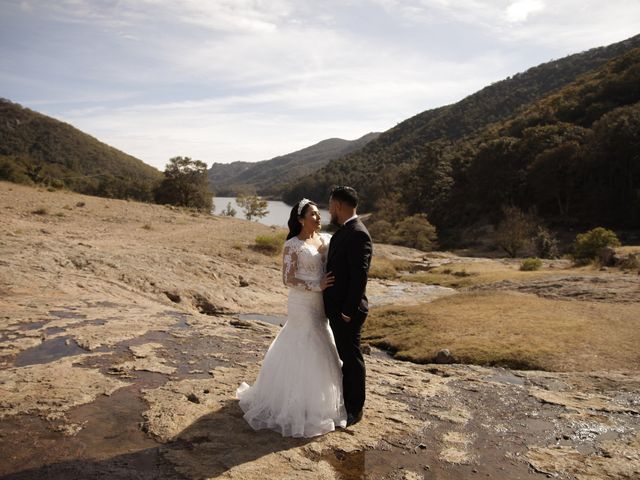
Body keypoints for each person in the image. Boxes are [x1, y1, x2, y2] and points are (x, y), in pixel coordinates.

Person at [235, 198, 348, 437]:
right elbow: (288, 279)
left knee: (324, 344)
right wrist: (316, 285)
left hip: (321, 305)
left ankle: (318, 402)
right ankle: (294, 407)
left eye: (319, 213)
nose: (318, 217)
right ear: (300, 219)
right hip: (302, 303)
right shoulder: (293, 245)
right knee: (305, 344)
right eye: (313, 214)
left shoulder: (326, 239)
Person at [323, 186, 372, 427]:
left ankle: (355, 409)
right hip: (338, 309)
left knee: (351, 359)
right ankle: (347, 401)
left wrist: (347, 311)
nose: (329, 209)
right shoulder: (346, 230)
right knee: (345, 357)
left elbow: (359, 277)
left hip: (347, 312)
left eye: (330, 205)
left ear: (338, 206)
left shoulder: (357, 233)